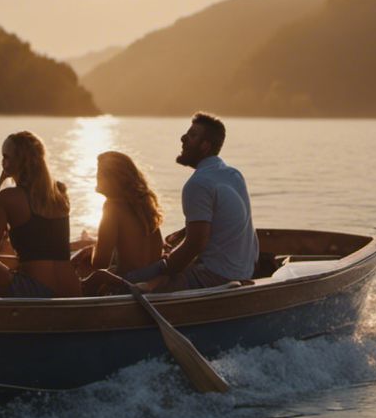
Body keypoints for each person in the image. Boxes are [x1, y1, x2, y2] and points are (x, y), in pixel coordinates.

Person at [138, 112, 259, 291]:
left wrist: (165, 267)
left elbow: (195, 244)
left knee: (130, 278)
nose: (183, 138)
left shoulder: (198, 184)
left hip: (216, 276)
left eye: (192, 136)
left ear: (205, 146)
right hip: (245, 271)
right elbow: (218, 220)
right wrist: (183, 233)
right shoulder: (233, 174)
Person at [0, 131, 81, 298]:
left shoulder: (8, 198)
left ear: (21, 161)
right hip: (72, 291)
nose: (2, 162)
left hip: (38, 291)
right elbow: (43, 249)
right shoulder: (59, 193)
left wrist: (0, 187)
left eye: (6, 157)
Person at [75, 151, 168, 290]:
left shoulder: (112, 207)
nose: (95, 177)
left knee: (83, 271)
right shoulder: (145, 208)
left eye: (99, 173)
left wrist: (91, 250)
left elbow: (100, 262)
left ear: (111, 178)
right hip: (151, 279)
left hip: (129, 282)